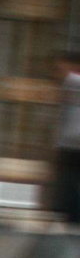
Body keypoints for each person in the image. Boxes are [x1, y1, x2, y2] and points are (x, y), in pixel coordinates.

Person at [55, 52, 80, 229]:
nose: (58, 71)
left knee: (69, 181)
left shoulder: (72, 81)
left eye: (60, 66)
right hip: (71, 142)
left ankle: (72, 219)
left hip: (71, 143)